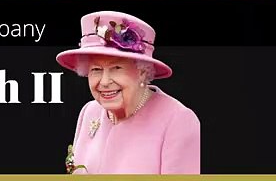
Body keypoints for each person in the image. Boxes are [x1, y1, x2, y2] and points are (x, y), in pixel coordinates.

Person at [58, 12, 200, 175]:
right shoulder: (90, 111)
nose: (104, 82)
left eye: (116, 68)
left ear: (142, 71)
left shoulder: (177, 121)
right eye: (96, 70)